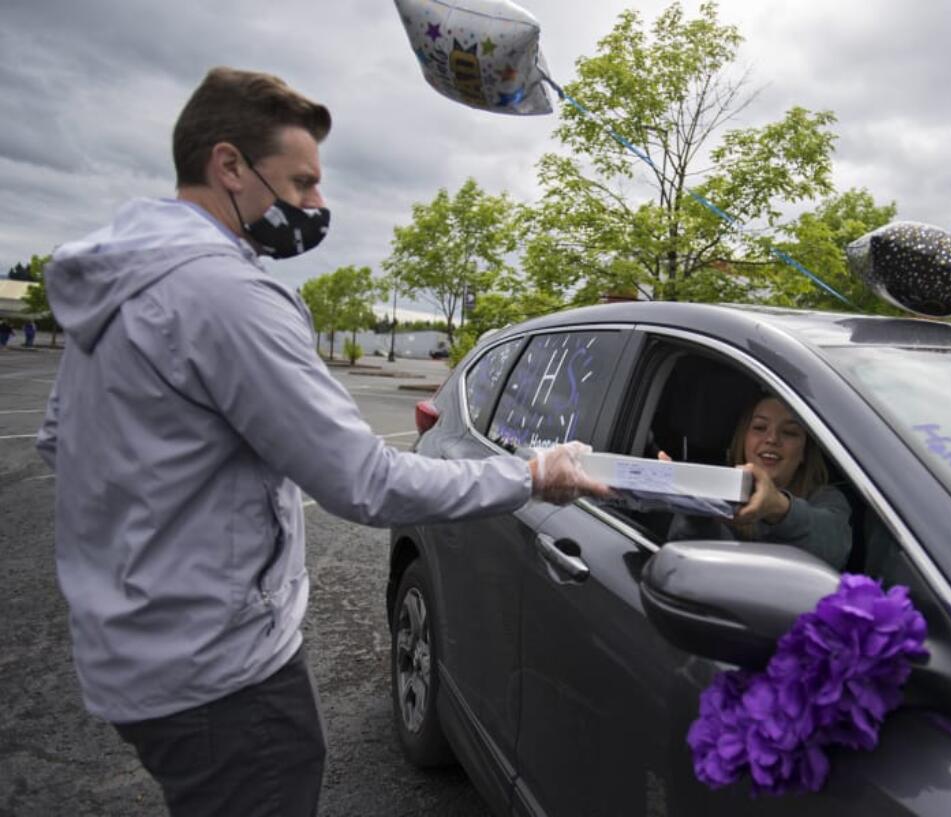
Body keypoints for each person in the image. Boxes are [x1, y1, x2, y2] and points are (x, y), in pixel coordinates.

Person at [33, 67, 605, 817]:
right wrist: (531, 475)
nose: (316, 204)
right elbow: (365, 481)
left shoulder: (125, 278)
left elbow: (56, 439)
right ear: (229, 165)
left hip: (129, 649)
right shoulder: (227, 295)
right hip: (220, 673)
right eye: (301, 183)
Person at [662, 394, 853, 569]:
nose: (771, 439)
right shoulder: (716, 487)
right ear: (743, 440)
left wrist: (778, 507)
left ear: (804, 451)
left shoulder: (827, 498)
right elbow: (688, 560)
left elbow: (835, 550)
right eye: (760, 428)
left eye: (789, 432)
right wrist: (696, 511)